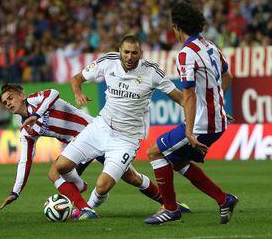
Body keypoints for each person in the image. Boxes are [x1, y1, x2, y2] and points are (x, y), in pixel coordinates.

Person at [0, 83, 190, 214]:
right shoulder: (26, 131)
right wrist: (16, 191)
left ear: (21, 95)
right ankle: (84, 208)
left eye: (11, 98)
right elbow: (25, 160)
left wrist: (37, 115)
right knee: (55, 171)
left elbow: (54, 93)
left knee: (131, 177)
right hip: (76, 146)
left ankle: (171, 204)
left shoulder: (37, 100)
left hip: (94, 133)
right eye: (5, 103)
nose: (8, 104)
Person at [53, 35, 184, 220]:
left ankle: (87, 208)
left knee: (102, 186)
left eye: (134, 53)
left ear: (141, 53)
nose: (130, 57)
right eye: (126, 52)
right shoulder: (108, 61)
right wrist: (77, 92)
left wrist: (207, 111)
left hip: (126, 138)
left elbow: (180, 97)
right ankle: (81, 187)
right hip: (100, 127)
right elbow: (77, 79)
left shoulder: (152, 72)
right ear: (120, 51)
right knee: (61, 166)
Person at [144, 2, 238, 225]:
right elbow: (228, 78)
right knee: (176, 161)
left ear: (176, 27)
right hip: (217, 121)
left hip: (202, 125)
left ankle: (170, 209)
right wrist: (218, 104)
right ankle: (224, 199)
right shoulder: (210, 45)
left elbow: (189, 95)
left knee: (155, 153)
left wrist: (189, 131)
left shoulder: (186, 53)